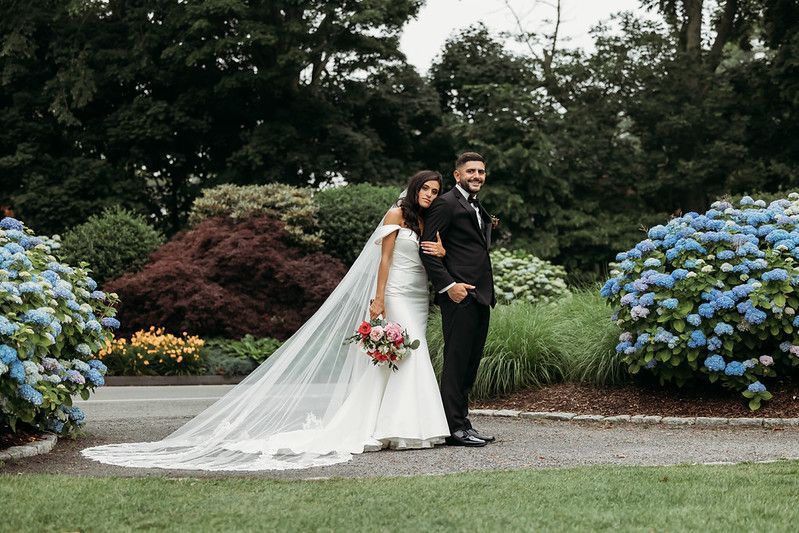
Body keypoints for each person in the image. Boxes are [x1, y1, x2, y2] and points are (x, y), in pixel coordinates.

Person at [82, 171, 451, 471]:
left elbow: (428, 257)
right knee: (408, 354)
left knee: (397, 360)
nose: (430, 195)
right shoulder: (395, 216)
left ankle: (399, 425)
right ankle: (404, 427)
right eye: (427, 189)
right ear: (415, 187)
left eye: (435, 192)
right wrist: (378, 298)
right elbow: (383, 261)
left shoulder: (424, 221)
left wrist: (443, 250)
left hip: (418, 293)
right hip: (397, 293)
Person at [420, 152, 496, 447]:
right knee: (456, 361)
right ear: (457, 175)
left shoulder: (475, 205)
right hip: (459, 294)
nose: (477, 176)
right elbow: (426, 250)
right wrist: (449, 285)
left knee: (470, 362)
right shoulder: (445, 203)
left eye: (481, 171)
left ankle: (464, 422)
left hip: (481, 294)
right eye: (471, 171)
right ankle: (452, 427)